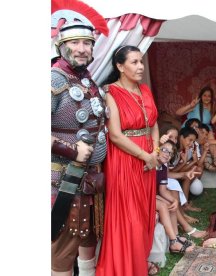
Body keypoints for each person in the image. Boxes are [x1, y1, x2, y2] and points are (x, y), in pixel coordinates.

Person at [95, 45, 159, 276]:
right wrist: (145, 155)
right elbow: (115, 135)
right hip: (124, 159)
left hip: (149, 161)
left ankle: (139, 260)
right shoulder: (111, 92)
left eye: (141, 61)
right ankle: (125, 267)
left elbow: (153, 123)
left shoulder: (146, 90)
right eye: (134, 62)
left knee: (144, 213)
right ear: (120, 66)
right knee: (128, 215)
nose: (140, 66)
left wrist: (157, 151)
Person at [51, 21, 107, 276]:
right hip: (64, 179)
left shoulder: (86, 79)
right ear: (61, 47)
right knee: (63, 249)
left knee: (88, 240)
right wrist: (71, 151)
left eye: (87, 43)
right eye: (75, 43)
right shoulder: (52, 79)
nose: (82, 49)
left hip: (91, 180)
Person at [155, 140, 195, 254]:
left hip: (153, 195)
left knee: (172, 204)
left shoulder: (162, 167)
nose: (167, 154)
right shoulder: (151, 164)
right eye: (164, 150)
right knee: (164, 205)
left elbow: (162, 190)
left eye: (170, 153)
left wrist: (174, 200)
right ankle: (173, 243)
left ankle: (176, 236)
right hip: (143, 195)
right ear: (156, 149)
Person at [176, 86, 216, 168]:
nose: (207, 98)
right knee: (203, 134)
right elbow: (178, 113)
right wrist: (190, 105)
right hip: (190, 129)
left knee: (209, 133)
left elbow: (212, 121)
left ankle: (215, 160)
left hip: (202, 129)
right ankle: (206, 163)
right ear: (201, 96)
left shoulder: (212, 107)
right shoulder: (195, 105)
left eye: (209, 96)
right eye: (204, 95)